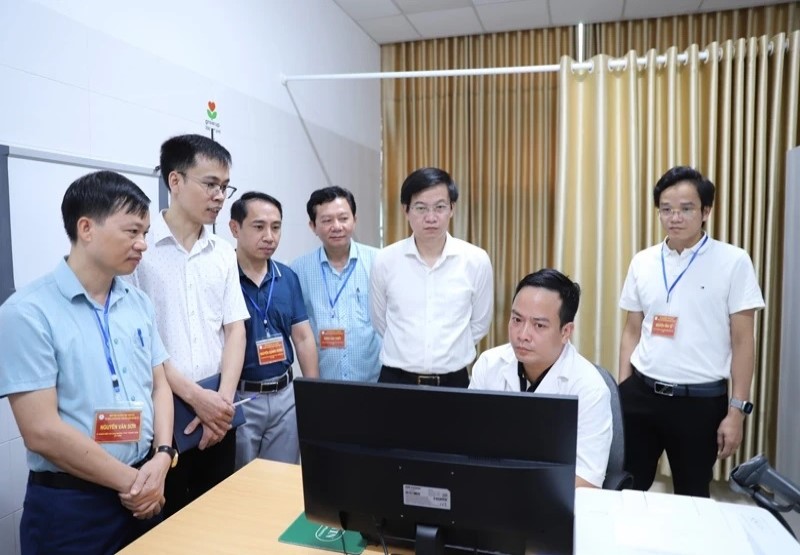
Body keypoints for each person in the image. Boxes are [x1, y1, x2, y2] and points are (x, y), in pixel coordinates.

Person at [0, 171, 176, 554]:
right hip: (73, 506)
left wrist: (163, 456)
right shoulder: (28, 312)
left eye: (145, 232)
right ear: (86, 228)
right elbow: (40, 431)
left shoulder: (137, 302)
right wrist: (134, 483)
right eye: (132, 231)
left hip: (146, 483)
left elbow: (160, 384)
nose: (143, 244)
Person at [618, 165, 765, 497]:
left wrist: (736, 411)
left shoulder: (734, 261)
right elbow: (631, 330)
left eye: (686, 209)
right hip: (641, 395)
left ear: (705, 212)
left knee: (692, 495)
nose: (675, 217)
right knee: (627, 489)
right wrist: (623, 389)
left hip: (700, 403)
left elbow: (743, 342)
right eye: (666, 209)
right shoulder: (643, 261)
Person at [128, 134, 249, 515]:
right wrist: (197, 399)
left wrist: (222, 405)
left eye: (224, 187)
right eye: (210, 184)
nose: (219, 196)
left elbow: (235, 329)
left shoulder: (223, 253)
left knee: (220, 518)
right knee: (171, 524)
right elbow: (142, 342)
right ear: (175, 181)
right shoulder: (140, 251)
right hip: (167, 414)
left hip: (219, 412)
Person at [470, 269, 612, 488]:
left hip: (554, 498)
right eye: (517, 319)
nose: (522, 335)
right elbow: (469, 447)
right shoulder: (489, 365)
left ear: (566, 331)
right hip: (490, 490)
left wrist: (520, 492)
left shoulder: (590, 388)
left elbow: (587, 480)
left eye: (539, 325)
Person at [369, 167, 493, 387]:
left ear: (452, 209)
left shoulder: (476, 260)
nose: (431, 217)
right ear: (406, 210)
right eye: (420, 208)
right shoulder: (385, 260)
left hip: (453, 381)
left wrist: (450, 351)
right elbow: (380, 320)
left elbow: (479, 323)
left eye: (440, 207)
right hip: (396, 380)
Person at [229, 192, 319, 467]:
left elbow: (302, 338)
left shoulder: (287, 276)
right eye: (259, 227)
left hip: (284, 396)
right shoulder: (223, 276)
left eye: (276, 227)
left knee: (281, 480)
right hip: (241, 397)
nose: (269, 236)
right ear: (235, 228)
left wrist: (312, 395)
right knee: (239, 481)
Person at [290, 186, 381, 382]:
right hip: (325, 383)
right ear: (313, 226)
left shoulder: (379, 262)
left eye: (343, 218)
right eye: (327, 220)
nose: (337, 226)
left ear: (354, 220)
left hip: (374, 383)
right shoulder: (298, 270)